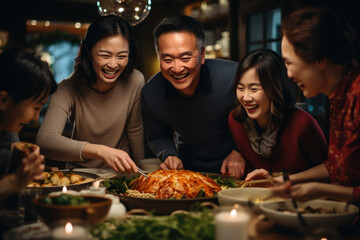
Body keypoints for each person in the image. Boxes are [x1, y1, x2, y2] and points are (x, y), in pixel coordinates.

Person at [247, 7, 360, 203]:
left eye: (289, 63)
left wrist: (323, 191)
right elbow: (334, 164)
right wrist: (281, 180)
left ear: (319, 60)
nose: (289, 74)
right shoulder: (338, 97)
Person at [36, 15, 145, 173]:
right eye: (105, 55)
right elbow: (45, 141)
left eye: (122, 56)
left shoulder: (135, 80)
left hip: (119, 177)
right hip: (81, 177)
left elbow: (134, 130)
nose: (113, 64)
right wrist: (100, 151)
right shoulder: (67, 88)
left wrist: (141, 174)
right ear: (88, 51)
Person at [141, 15, 244, 176]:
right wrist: (169, 154)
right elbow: (157, 136)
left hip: (237, 171)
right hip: (188, 174)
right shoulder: (151, 93)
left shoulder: (234, 77)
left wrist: (240, 151)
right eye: (167, 59)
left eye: (185, 58)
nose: (177, 68)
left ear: (202, 55)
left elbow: (259, 121)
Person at [229, 49, 327, 176]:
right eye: (240, 88)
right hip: (254, 194)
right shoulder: (235, 120)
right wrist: (236, 153)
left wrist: (282, 180)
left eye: (254, 89)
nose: (246, 97)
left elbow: (329, 169)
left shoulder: (303, 123)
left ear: (274, 88)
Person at [0, 49, 57, 206]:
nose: (35, 118)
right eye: (35, 107)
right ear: (4, 100)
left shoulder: (9, 133)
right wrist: (15, 180)